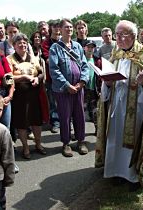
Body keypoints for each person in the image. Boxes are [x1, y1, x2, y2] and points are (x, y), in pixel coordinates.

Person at [95, 20, 143, 188]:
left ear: (134, 36)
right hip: (116, 104)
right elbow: (108, 76)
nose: (119, 39)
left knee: (133, 140)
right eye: (117, 35)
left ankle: (133, 175)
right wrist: (106, 84)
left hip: (137, 106)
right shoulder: (116, 52)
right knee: (114, 137)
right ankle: (115, 171)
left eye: (123, 35)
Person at [49, 18, 89, 157]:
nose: (69, 29)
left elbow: (84, 65)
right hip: (63, 89)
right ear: (60, 29)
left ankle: (81, 141)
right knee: (65, 117)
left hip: (78, 88)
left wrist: (82, 82)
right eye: (66, 27)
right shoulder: (55, 48)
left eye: (71, 27)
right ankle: (66, 143)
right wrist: (67, 85)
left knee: (80, 115)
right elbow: (54, 69)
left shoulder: (77, 46)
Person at [7, 33, 46, 159]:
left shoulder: (33, 58)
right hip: (19, 96)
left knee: (36, 121)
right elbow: (7, 79)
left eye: (24, 43)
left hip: (34, 95)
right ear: (14, 45)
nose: (22, 45)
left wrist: (37, 79)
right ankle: (25, 147)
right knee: (22, 123)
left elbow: (40, 73)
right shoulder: (9, 59)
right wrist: (22, 77)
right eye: (19, 43)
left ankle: (38, 144)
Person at [41, 21, 61, 133]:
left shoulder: (64, 41)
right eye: (55, 27)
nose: (57, 29)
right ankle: (55, 123)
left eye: (59, 26)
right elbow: (47, 58)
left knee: (65, 101)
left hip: (65, 76)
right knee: (53, 102)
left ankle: (67, 122)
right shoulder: (46, 43)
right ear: (51, 28)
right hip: (51, 77)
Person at [83, 40, 101, 134]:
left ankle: (97, 130)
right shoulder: (80, 59)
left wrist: (101, 88)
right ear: (84, 48)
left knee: (95, 112)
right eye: (88, 47)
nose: (90, 49)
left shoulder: (97, 60)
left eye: (92, 47)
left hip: (94, 90)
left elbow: (101, 76)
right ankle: (80, 132)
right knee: (82, 112)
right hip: (83, 90)